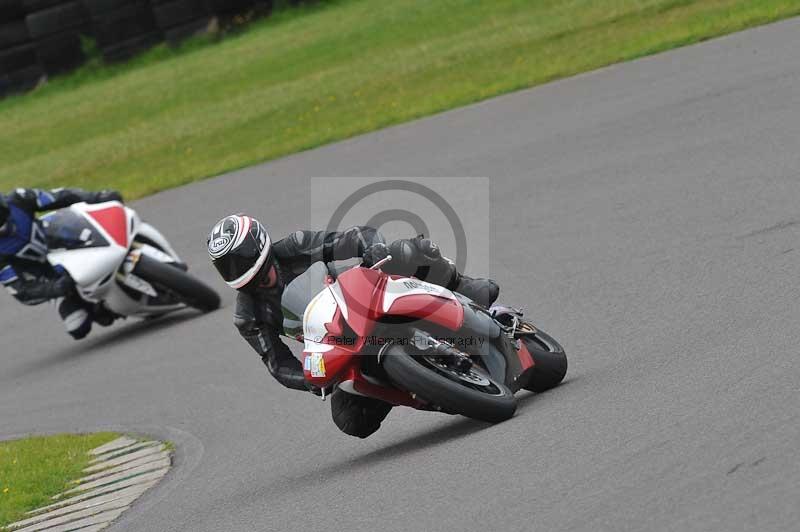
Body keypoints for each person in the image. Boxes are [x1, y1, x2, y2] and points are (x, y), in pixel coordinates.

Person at [207, 214, 500, 438]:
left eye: (238, 260)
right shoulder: (248, 315)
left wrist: (374, 249)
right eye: (226, 266)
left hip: (366, 297)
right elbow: (277, 364)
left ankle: (462, 287)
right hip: (340, 343)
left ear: (257, 245)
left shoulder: (295, 246)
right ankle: (421, 387)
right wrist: (310, 381)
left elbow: (356, 236)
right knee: (350, 419)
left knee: (407, 251)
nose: (235, 270)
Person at [0, 187, 123, 339]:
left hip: (63, 240)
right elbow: (22, 291)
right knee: (78, 327)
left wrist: (95, 197)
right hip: (51, 277)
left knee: (106, 210)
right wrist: (55, 288)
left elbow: (60, 196)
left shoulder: (19, 199)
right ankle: (98, 308)